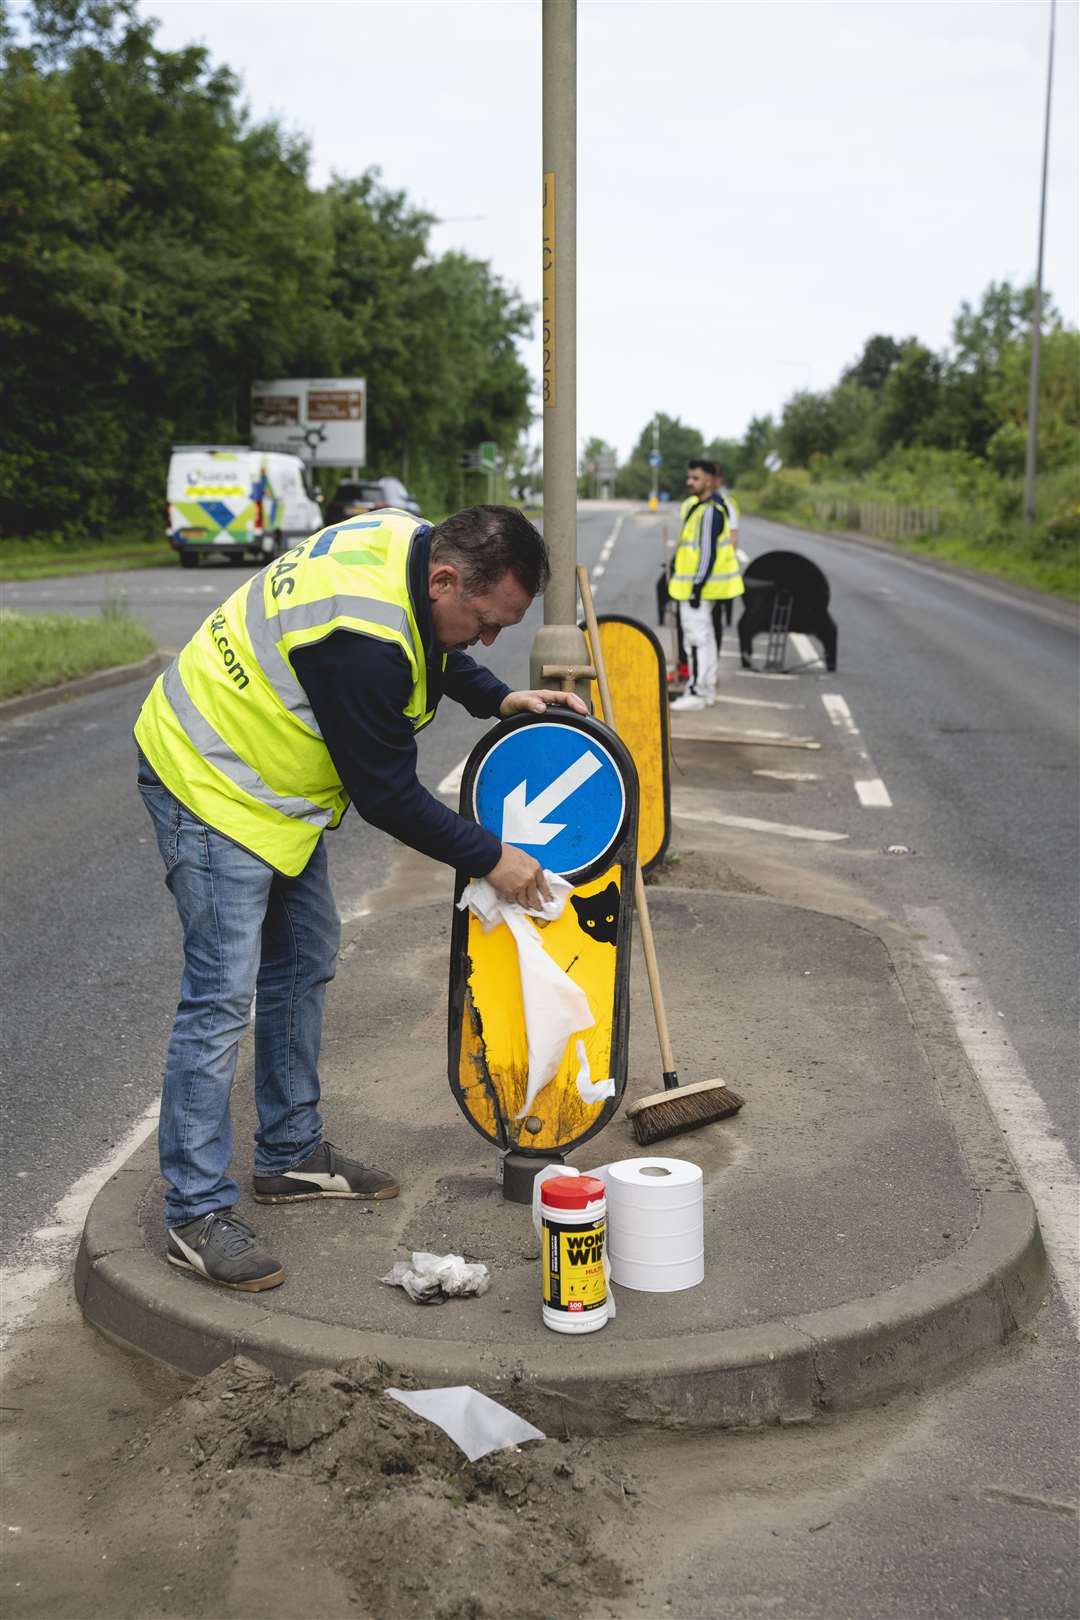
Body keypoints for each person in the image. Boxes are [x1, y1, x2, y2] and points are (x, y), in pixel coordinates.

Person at [134, 504, 585, 1292]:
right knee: (219, 998)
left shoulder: (406, 543)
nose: (486, 640)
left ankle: (288, 1153)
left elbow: (431, 648)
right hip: (209, 781)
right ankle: (196, 1212)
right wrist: (492, 860)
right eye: (485, 622)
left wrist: (498, 698)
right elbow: (386, 794)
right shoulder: (364, 643)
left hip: (273, 794)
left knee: (304, 959)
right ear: (445, 577)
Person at [667, 459, 744, 711]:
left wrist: (697, 587)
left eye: (696, 478)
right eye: (689, 477)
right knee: (706, 639)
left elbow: (707, 553)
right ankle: (706, 689)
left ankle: (696, 692)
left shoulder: (710, 510)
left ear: (710, 481)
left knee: (696, 640)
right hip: (699, 587)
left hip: (698, 588)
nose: (690, 482)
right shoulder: (701, 508)